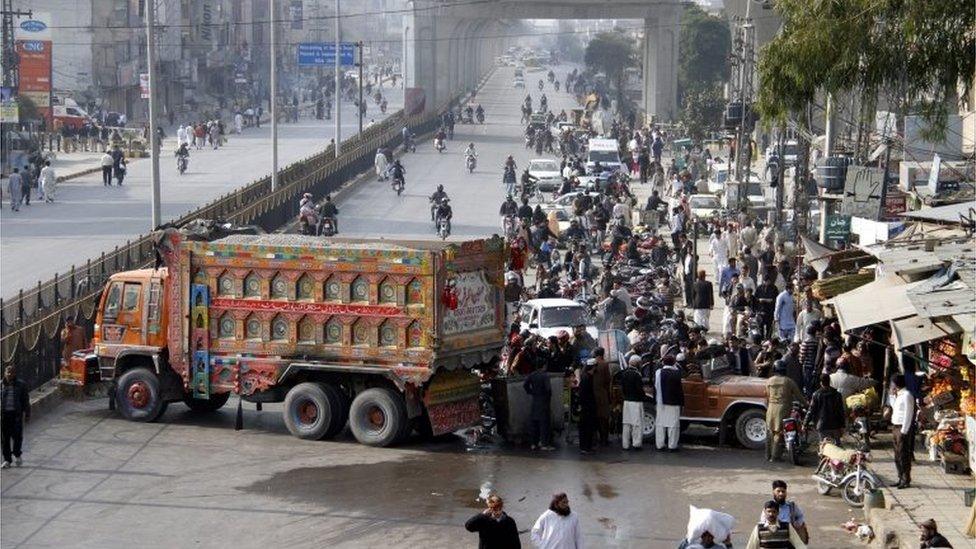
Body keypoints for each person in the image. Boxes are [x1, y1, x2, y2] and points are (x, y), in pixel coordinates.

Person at [765, 362, 805, 462]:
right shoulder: (788, 381)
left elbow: (767, 395)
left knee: (770, 432)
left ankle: (767, 455)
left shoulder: (769, 381)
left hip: (770, 408)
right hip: (783, 409)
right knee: (779, 433)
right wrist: (807, 404)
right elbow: (799, 396)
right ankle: (775, 457)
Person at [0, 366, 31, 468]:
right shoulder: (1, 385)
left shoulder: (21, 385)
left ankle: (17, 454)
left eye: (11, 373)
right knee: (5, 439)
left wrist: (27, 414)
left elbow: (25, 401)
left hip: (16, 415)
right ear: (4, 373)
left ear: (15, 374)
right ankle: (7, 460)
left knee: (17, 437)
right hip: (4, 415)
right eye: (8, 372)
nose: (9, 374)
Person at [889, 374, 915, 488]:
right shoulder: (899, 395)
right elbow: (894, 408)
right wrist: (892, 396)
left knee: (903, 454)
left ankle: (906, 479)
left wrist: (904, 430)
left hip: (902, 428)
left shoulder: (907, 395)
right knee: (897, 454)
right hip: (895, 426)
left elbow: (908, 414)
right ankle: (900, 477)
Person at [655, 354, 684, 451]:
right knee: (673, 426)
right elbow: (680, 390)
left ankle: (660, 444)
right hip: (673, 403)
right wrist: (682, 403)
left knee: (660, 425)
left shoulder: (658, 372)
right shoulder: (677, 373)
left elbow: (656, 387)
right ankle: (672, 445)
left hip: (661, 402)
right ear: (674, 363)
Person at [806, 374, 845, 443]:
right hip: (835, 425)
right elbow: (841, 411)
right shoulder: (837, 394)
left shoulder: (816, 394)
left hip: (822, 426)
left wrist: (805, 423)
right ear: (829, 381)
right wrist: (842, 425)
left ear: (820, 382)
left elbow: (811, 410)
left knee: (824, 447)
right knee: (838, 448)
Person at [524, 361, 554, 451]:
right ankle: (544, 444)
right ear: (544, 366)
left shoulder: (532, 375)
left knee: (534, 424)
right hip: (544, 402)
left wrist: (531, 392)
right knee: (544, 424)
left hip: (535, 401)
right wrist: (548, 398)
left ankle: (534, 443)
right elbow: (548, 389)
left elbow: (525, 385)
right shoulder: (545, 376)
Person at [620, 355, 645, 450]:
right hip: (636, 402)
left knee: (626, 424)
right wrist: (643, 396)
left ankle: (625, 444)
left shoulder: (624, 373)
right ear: (637, 363)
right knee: (637, 424)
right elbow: (639, 389)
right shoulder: (637, 374)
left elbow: (623, 388)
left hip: (627, 401)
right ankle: (636, 444)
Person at [577, 358, 598, 454]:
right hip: (587, 407)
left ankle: (587, 446)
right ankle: (585, 447)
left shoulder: (586, 376)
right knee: (586, 427)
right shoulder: (587, 378)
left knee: (588, 427)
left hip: (587, 406)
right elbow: (584, 394)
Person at [592, 348, 612, 446]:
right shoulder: (604, 364)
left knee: (595, 417)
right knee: (604, 418)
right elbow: (608, 380)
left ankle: (595, 438)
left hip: (592, 393)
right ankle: (604, 439)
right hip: (602, 394)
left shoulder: (591, 364)